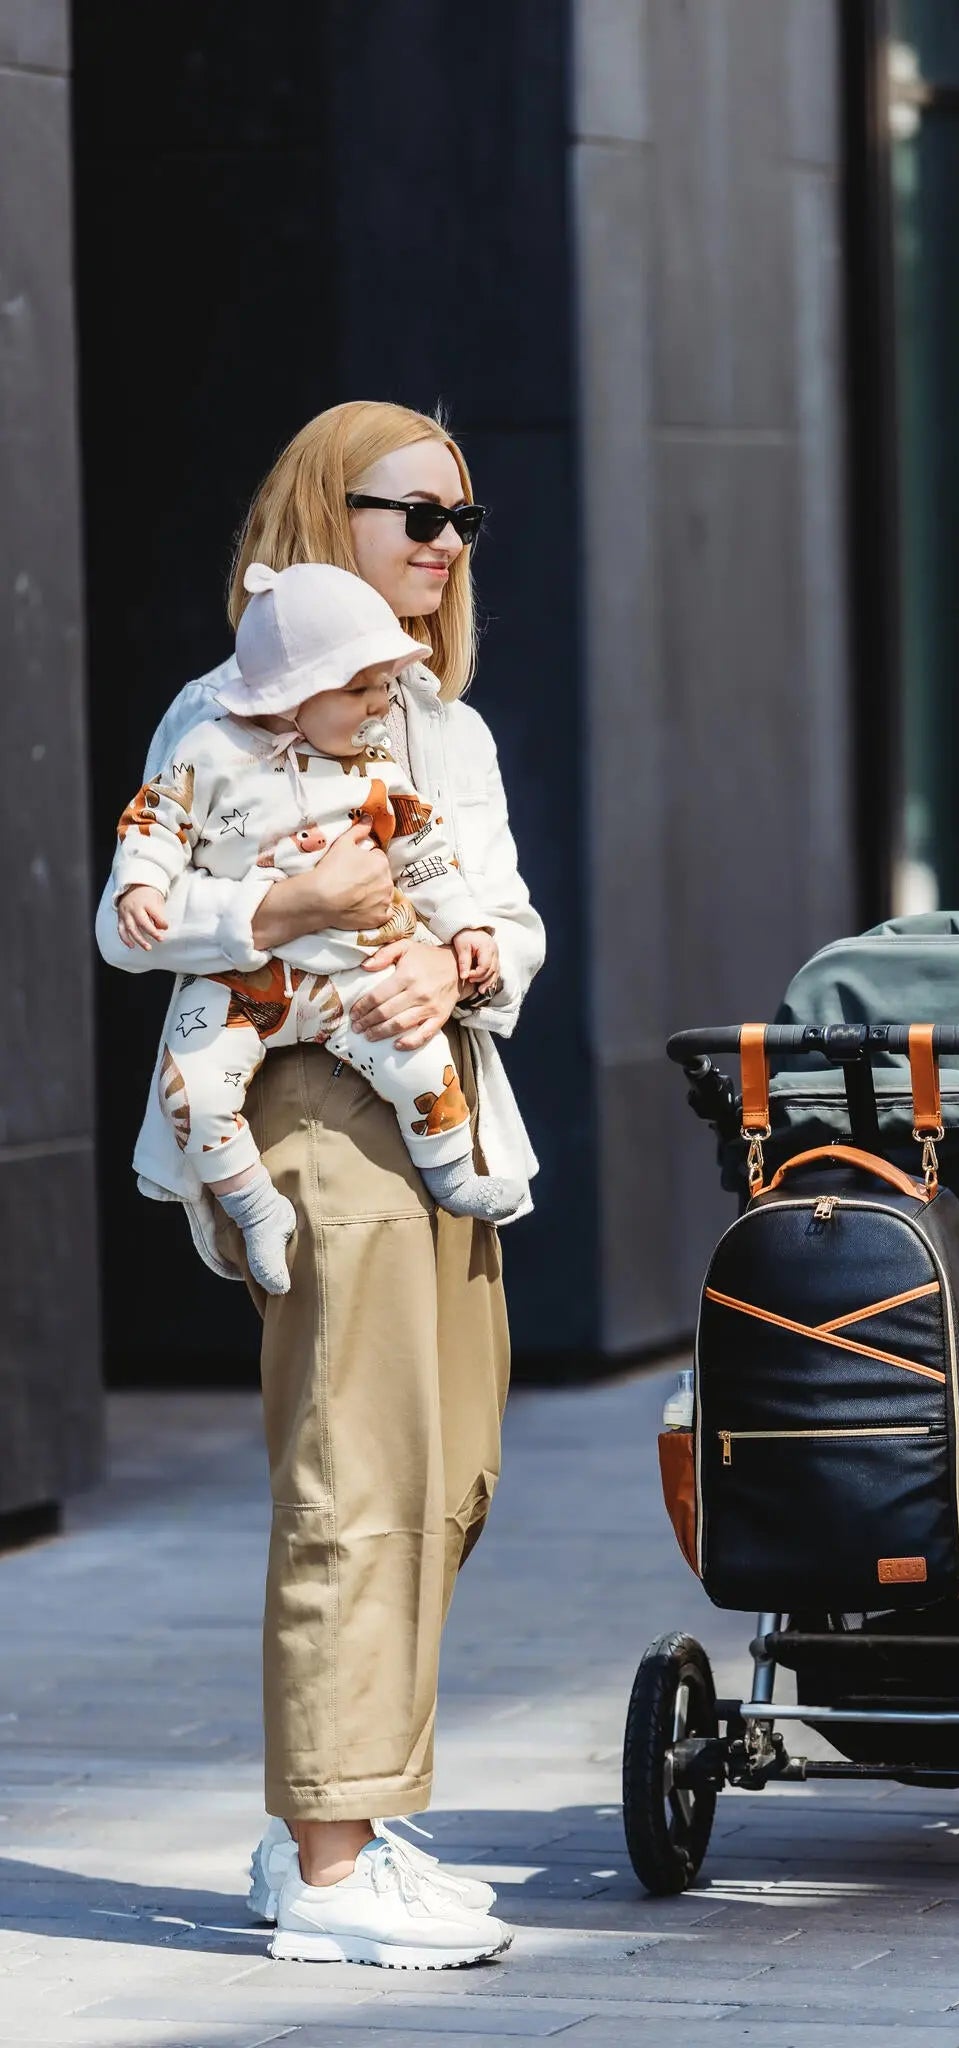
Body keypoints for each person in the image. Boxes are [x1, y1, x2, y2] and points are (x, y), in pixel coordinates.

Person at [94, 401, 544, 1969]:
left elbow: (510, 918)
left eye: (461, 522)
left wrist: (458, 958)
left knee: (455, 1467)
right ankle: (334, 1855)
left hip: (446, 1109)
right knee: (357, 1468)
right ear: (317, 512)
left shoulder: (451, 733)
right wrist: (289, 900)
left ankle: (338, 1818)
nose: (440, 547)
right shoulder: (213, 719)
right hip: (295, 1100)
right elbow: (140, 911)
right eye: (410, 513)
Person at [112, 558, 525, 1296]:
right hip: (238, 984)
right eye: (359, 689)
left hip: (352, 976)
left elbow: (426, 852)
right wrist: (143, 881)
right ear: (289, 693)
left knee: (418, 1061)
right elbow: (157, 819)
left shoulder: (373, 766)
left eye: (383, 688)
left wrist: (465, 926)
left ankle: (455, 1174)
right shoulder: (210, 751)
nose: (377, 707)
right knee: (193, 1092)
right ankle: (254, 1208)